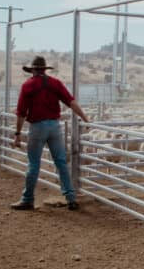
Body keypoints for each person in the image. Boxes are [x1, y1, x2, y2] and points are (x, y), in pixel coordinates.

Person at [10, 55, 90, 211]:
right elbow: (71, 101)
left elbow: (21, 112)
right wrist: (85, 118)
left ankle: (27, 200)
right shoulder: (55, 83)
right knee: (60, 162)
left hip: (37, 127)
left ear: (33, 70)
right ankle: (71, 198)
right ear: (44, 70)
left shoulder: (28, 86)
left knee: (33, 164)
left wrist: (17, 133)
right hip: (54, 127)